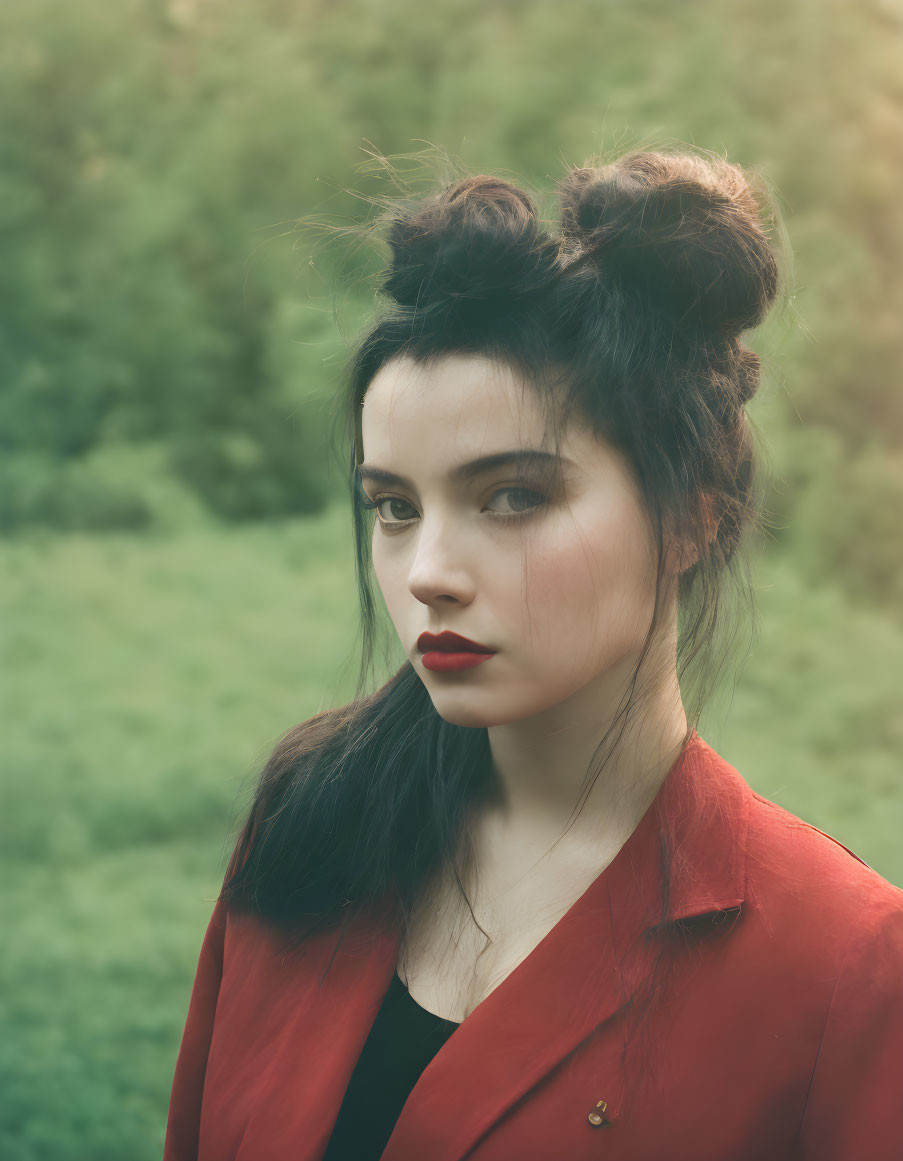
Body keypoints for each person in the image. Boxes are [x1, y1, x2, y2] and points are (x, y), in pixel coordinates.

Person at [163, 148, 903, 1161]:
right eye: (394, 506)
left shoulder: (843, 963)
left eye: (513, 495)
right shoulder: (312, 823)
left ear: (690, 518)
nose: (428, 571)